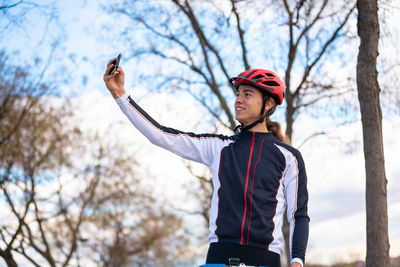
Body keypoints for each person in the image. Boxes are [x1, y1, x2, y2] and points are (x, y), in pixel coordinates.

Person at [103, 58, 309, 267]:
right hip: (219, 257)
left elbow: (298, 215)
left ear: (269, 103)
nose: (238, 99)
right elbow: (160, 134)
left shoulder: (289, 157)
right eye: (238, 94)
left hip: (265, 259)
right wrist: (120, 94)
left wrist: (297, 261)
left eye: (247, 94)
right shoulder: (218, 147)